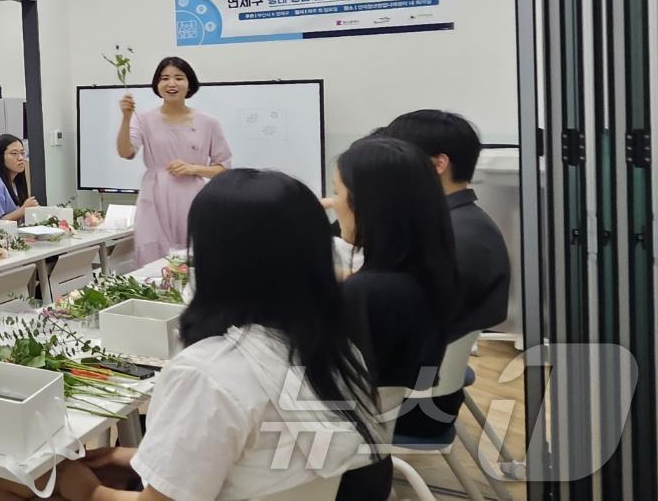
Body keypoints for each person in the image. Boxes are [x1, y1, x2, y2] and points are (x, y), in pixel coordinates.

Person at [36, 170, 377, 501]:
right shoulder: (336, 348)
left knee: (22, 482)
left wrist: (88, 491)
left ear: (217, 259)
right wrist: (134, 458)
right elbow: (265, 456)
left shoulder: (208, 375)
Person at [330, 136, 458, 501]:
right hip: (371, 459)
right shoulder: (427, 272)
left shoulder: (366, 296)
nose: (334, 204)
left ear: (367, 205)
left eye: (337, 193)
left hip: (331, 469)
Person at [383, 110, 511, 439]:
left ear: (438, 164)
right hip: (430, 392)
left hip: (412, 407)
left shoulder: (451, 241)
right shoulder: (461, 225)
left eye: (398, 158)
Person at [116, 56, 231, 266]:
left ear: (189, 85)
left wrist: (193, 168)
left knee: (191, 255)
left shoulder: (209, 122)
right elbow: (126, 152)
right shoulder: (143, 119)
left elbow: (224, 168)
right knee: (152, 259)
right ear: (157, 85)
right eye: (164, 78)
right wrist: (125, 118)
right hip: (154, 196)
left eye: (179, 78)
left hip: (192, 197)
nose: (171, 83)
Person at [0, 134, 40, 221]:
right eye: (14, 153)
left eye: (22, 153)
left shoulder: (15, 181)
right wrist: (23, 210)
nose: (20, 158)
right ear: (1, 157)